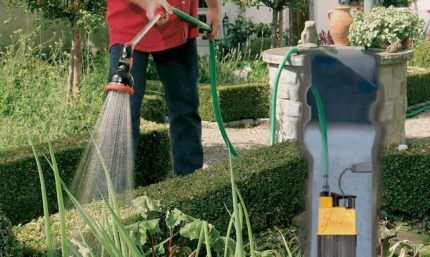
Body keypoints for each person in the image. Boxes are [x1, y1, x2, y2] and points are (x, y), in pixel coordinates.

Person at [107, 0, 220, 175]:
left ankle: (189, 187)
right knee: (124, 113)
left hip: (178, 23)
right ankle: (113, 194)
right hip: (129, 23)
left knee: (185, 110)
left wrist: (213, 7)